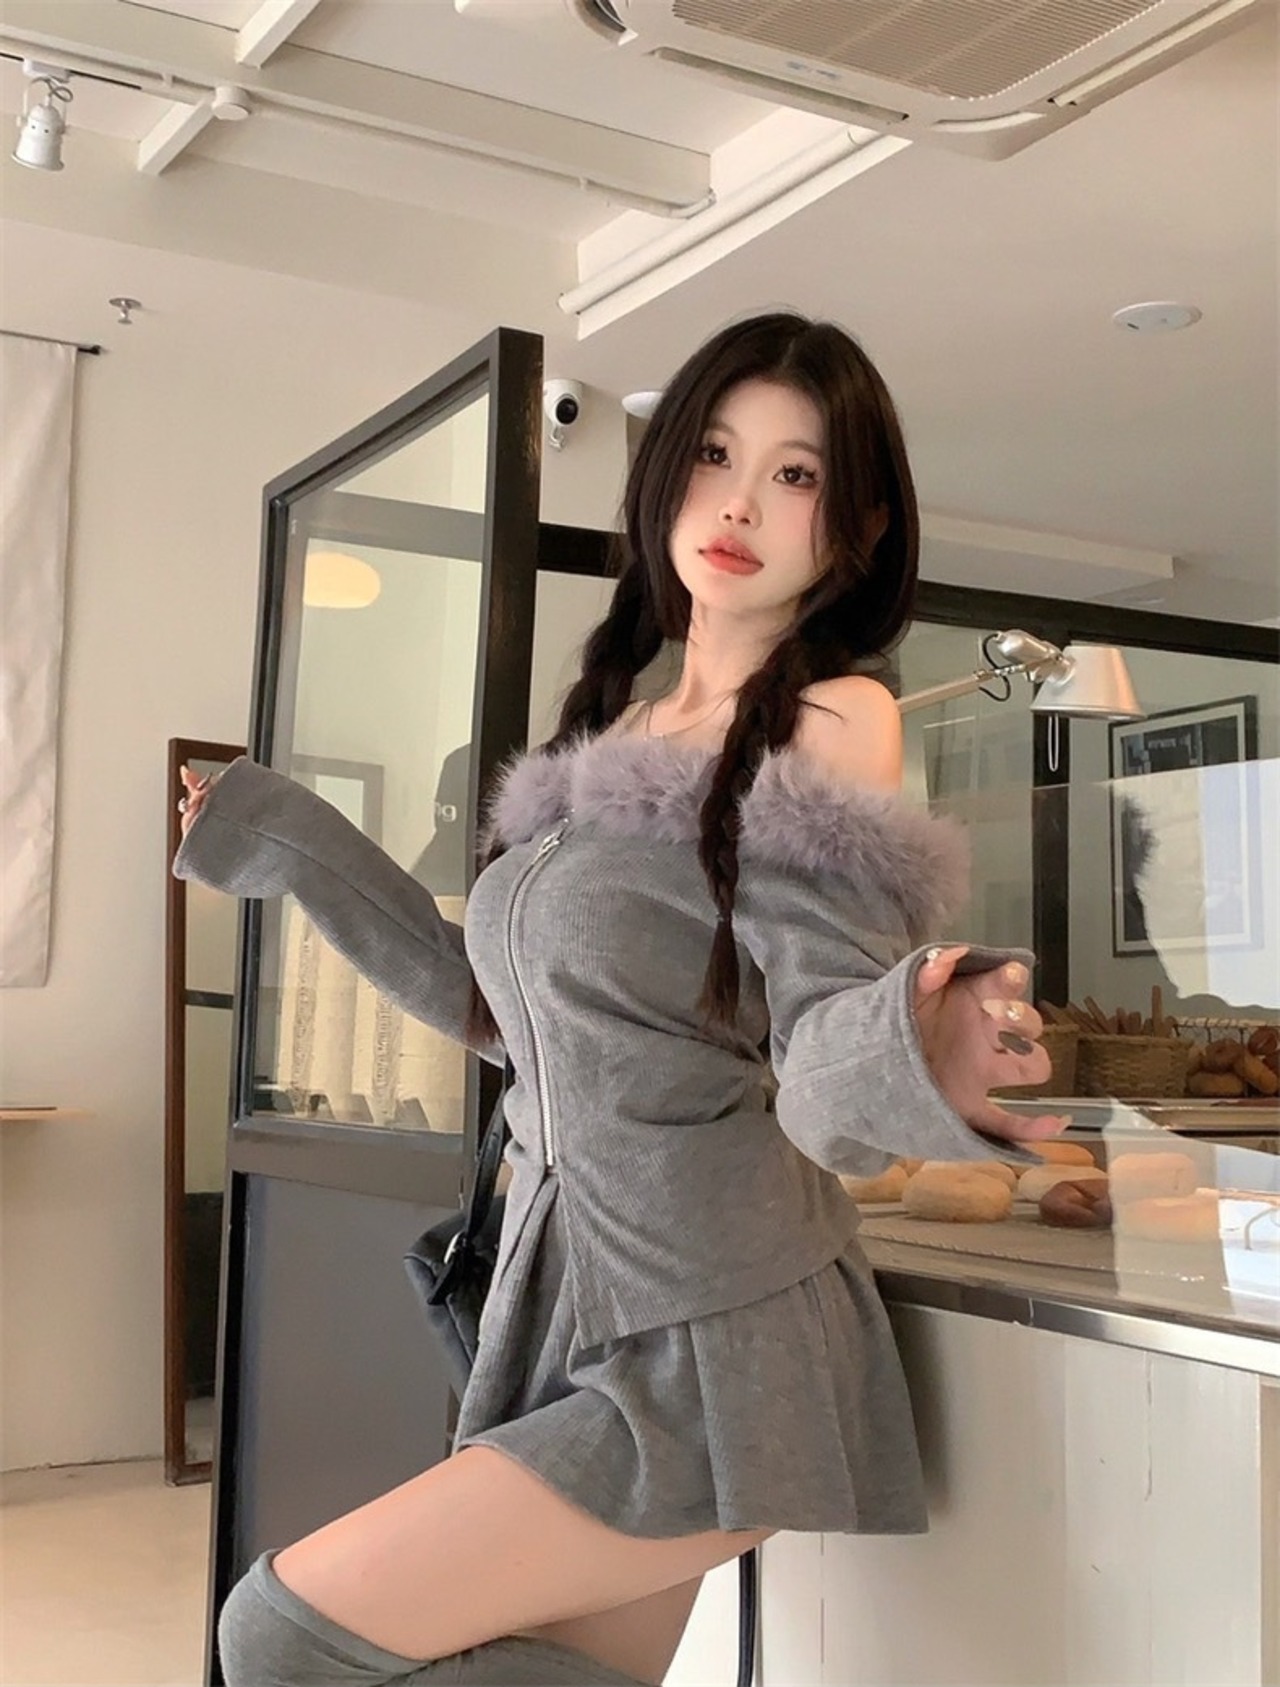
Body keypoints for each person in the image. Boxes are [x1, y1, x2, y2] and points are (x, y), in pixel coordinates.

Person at [175, 310, 1061, 1687]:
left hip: (714, 1333)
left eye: (795, 474)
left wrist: (917, 1043)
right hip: (566, 1302)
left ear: (857, 527)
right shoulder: (618, 739)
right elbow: (493, 1012)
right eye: (715, 454)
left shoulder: (833, 719)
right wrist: (287, 836)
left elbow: (823, 1038)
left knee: (276, 1632)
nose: (740, 503)